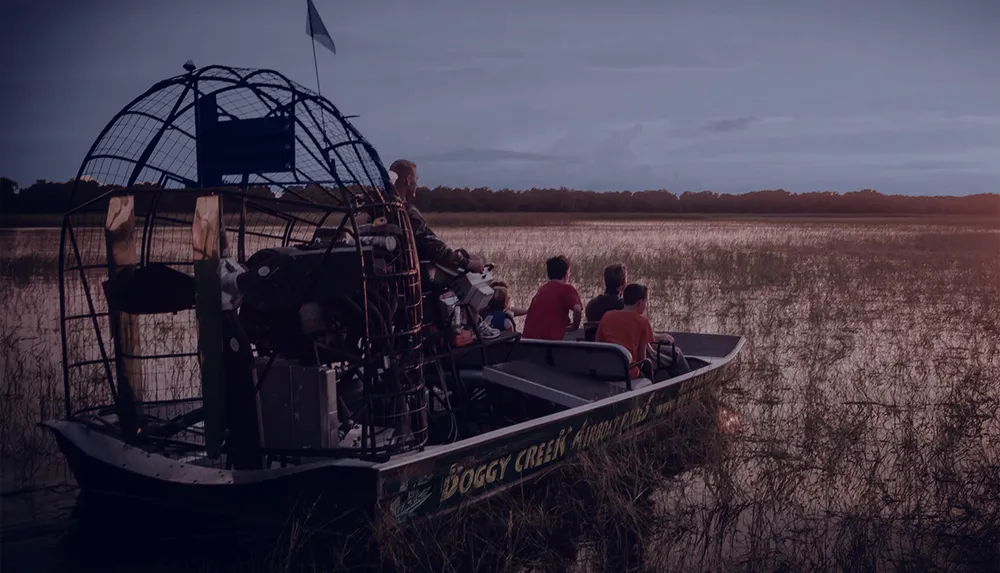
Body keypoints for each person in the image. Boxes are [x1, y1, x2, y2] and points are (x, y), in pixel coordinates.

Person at [389, 159, 484, 273]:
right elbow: (432, 246)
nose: (417, 182)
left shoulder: (380, 209)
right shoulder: (407, 212)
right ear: (409, 180)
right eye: (416, 178)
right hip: (413, 277)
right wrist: (465, 263)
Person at [595, 283, 692, 380]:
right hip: (629, 371)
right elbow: (642, 358)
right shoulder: (643, 322)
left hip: (605, 369)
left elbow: (598, 343)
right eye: (645, 302)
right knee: (672, 358)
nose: (645, 305)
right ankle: (688, 384)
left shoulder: (607, 316)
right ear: (640, 303)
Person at [521, 256, 583, 340]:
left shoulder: (541, 290)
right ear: (566, 274)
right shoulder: (567, 289)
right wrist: (575, 326)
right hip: (549, 340)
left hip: (528, 340)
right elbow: (577, 309)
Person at [583, 263, 627, 340]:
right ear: (623, 283)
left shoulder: (592, 304)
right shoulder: (624, 306)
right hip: (617, 349)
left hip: (596, 348)